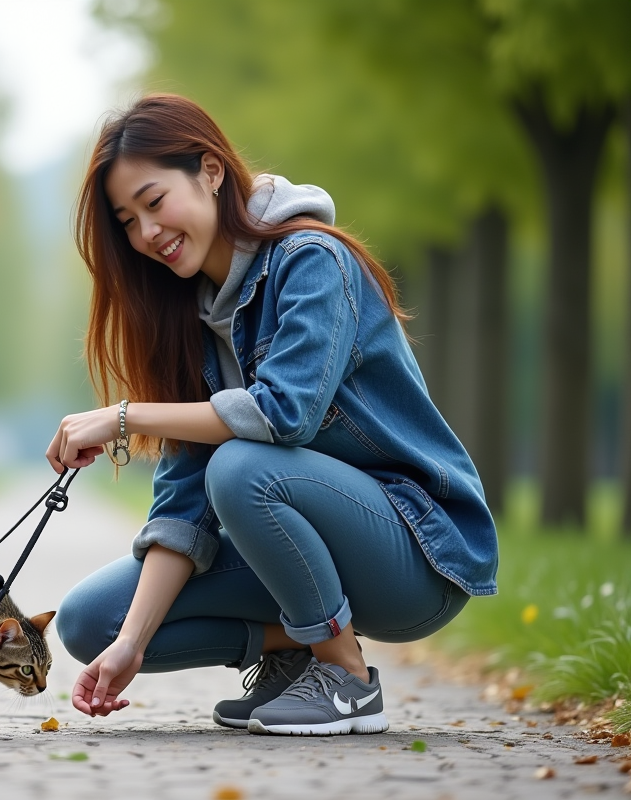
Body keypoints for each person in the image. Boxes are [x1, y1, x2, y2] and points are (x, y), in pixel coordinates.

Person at [45, 94, 498, 736]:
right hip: (309, 552)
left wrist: (124, 418)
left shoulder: (312, 261)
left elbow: (284, 417)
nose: (147, 233)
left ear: (210, 170)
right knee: (92, 622)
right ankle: (296, 654)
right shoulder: (191, 318)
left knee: (240, 465)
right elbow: (182, 513)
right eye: (127, 221)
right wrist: (132, 645)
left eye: (154, 201)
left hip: (415, 553)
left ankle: (344, 678)